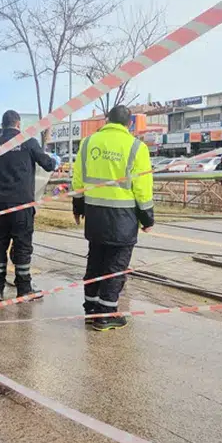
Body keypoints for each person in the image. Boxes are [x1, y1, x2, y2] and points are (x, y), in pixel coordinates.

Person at [73, 105, 154, 331]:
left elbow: (78, 179)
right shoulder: (137, 147)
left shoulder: (88, 143)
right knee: (116, 266)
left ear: (106, 120)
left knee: (95, 262)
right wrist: (147, 218)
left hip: (95, 214)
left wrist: (78, 207)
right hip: (123, 218)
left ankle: (91, 310)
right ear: (129, 124)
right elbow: (143, 188)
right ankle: (106, 314)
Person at [0, 110, 60, 300]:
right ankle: (24, 288)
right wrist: (54, 161)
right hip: (21, 204)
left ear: (3, 125)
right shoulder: (28, 141)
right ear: (18, 124)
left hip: (0, 203)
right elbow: (48, 165)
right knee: (22, 246)